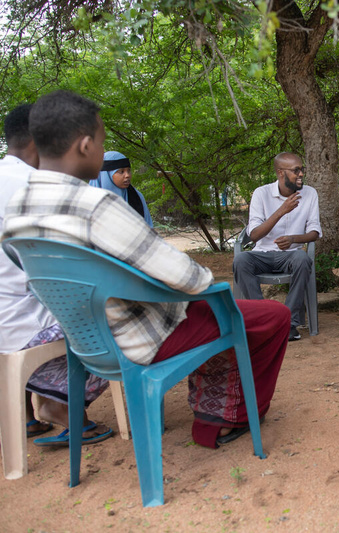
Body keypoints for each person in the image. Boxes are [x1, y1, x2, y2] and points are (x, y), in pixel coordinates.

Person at [3, 90, 291, 449]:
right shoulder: (97, 205)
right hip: (137, 336)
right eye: (102, 142)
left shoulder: (16, 209)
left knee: (219, 313)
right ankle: (223, 419)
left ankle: (218, 409)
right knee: (268, 315)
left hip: (83, 339)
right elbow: (188, 279)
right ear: (85, 144)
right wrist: (204, 283)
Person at [0, 103, 111, 447]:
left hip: (6, 321)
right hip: (26, 325)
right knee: (124, 314)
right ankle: (60, 403)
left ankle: (30, 414)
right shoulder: (40, 187)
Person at [233, 152, 321, 341]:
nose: (301, 174)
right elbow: (254, 234)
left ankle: (288, 323)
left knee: (303, 260)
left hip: (291, 255)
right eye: (296, 170)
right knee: (241, 260)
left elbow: (314, 233)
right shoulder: (261, 193)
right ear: (281, 173)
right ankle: (263, 320)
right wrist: (281, 211)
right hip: (262, 254)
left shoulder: (310, 193)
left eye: (302, 169)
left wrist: (293, 239)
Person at [90, 150, 154, 227]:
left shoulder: (137, 198)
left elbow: (148, 229)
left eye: (129, 171)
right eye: (121, 171)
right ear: (106, 174)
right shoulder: (88, 201)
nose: (127, 175)